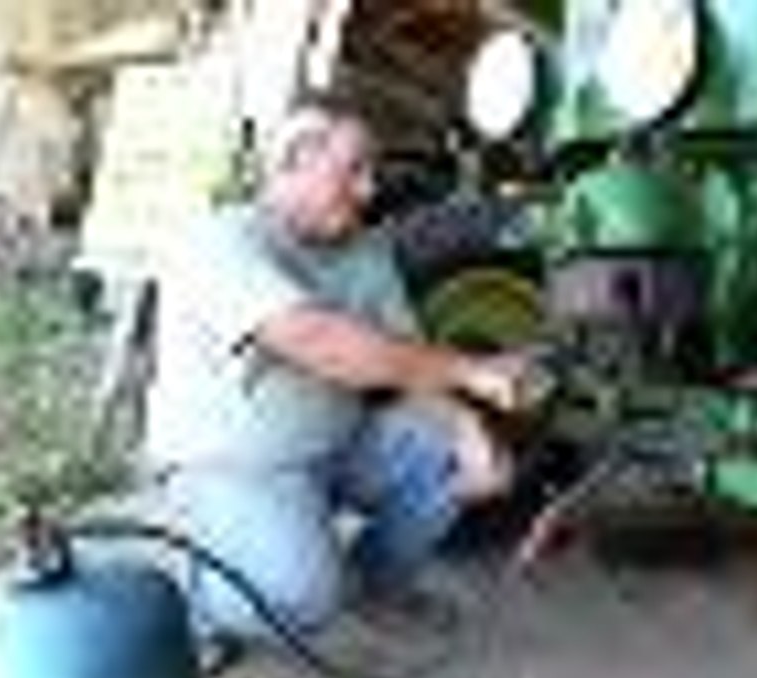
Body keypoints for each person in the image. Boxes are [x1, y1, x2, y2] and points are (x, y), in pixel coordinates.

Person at [142, 96, 525, 648]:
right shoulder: (220, 240)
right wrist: (473, 371)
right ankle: (203, 607)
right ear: (295, 158)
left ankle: (375, 588)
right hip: (235, 463)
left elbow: (406, 364)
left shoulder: (365, 252)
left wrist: (468, 430)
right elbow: (316, 339)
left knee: (451, 451)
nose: (369, 190)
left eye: (372, 172)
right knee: (302, 594)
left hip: (334, 443)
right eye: (354, 170)